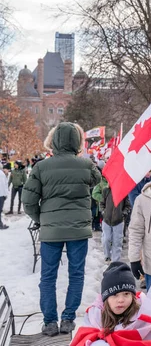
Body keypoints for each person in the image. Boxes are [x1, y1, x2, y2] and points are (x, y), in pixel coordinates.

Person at [22, 122, 102, 336]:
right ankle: (68, 319)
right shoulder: (86, 165)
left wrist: (41, 218)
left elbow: (28, 201)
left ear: (54, 140)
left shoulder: (40, 167)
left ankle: (49, 322)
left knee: (48, 276)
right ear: (77, 141)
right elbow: (98, 179)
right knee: (76, 274)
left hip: (51, 231)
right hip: (78, 230)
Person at [71, 262, 151, 345]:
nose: (121, 300)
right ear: (105, 299)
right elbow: (84, 339)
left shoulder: (143, 316)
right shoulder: (95, 316)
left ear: (133, 296)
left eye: (126, 294)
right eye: (115, 295)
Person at [98, 179, 132, 264]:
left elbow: (128, 206)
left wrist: (123, 214)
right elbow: (102, 203)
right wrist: (103, 212)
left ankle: (115, 261)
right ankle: (107, 256)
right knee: (106, 239)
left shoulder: (123, 192)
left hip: (119, 221)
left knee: (117, 242)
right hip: (107, 220)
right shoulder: (106, 191)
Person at [0, 164, 9, 229]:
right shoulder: (1, 174)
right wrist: (6, 195)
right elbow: (4, 185)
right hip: (1, 195)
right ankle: (0, 225)